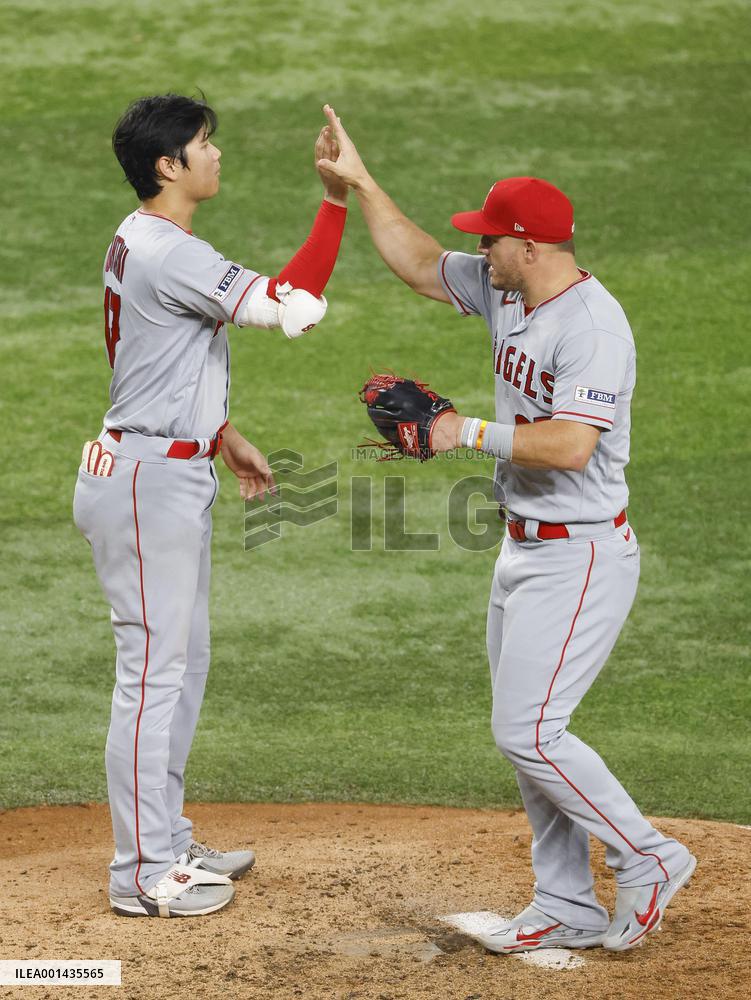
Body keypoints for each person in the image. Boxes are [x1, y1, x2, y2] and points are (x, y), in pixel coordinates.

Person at [317, 106, 696, 953]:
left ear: (529, 246)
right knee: (526, 740)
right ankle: (564, 901)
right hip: (520, 548)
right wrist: (361, 184)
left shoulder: (592, 328)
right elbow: (419, 264)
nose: (479, 251)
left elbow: (567, 445)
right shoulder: (505, 288)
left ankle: (649, 856)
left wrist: (462, 432)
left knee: (531, 731)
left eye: (491, 240)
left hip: (582, 554)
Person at [74, 95, 348, 918]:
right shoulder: (167, 251)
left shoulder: (143, 234)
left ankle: (166, 835)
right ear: (169, 166)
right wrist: (336, 201)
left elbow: (151, 354)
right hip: (145, 483)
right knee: (151, 678)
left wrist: (219, 430)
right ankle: (142, 874)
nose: (216, 154)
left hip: (162, 465)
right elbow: (292, 304)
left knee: (180, 671)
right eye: (203, 144)